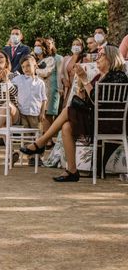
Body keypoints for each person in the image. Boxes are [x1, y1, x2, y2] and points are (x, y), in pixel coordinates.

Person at [21, 45, 128, 182]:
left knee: (67, 111)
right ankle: (72, 171)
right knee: (66, 127)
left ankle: (41, 143)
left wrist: (84, 79)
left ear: (111, 58)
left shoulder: (118, 76)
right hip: (95, 119)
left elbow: (98, 100)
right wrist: (82, 91)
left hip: (109, 122)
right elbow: (91, 101)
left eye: (100, 55)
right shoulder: (98, 77)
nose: (97, 58)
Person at [12, 55, 46, 131]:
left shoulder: (40, 83)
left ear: (35, 66)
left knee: (36, 132)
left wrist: (42, 113)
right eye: (23, 67)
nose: (25, 69)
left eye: (28, 66)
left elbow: (44, 99)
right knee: (25, 133)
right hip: (22, 112)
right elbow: (9, 82)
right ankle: (27, 143)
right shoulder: (19, 79)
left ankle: (36, 142)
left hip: (35, 113)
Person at [33, 37, 57, 134]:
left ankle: (48, 139)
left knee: (47, 114)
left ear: (44, 47)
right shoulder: (34, 60)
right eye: (35, 46)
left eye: (39, 45)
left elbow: (46, 72)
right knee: (39, 114)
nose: (36, 47)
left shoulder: (50, 59)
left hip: (47, 90)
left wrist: (34, 70)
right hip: (35, 91)